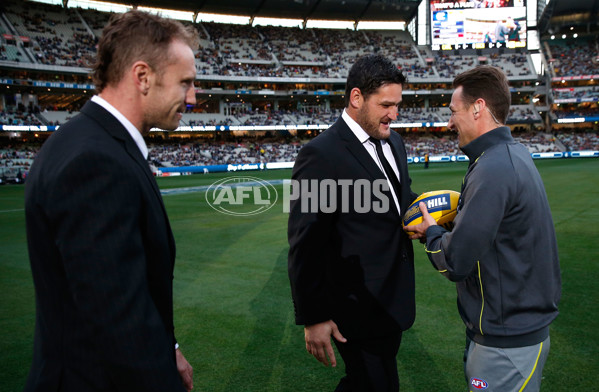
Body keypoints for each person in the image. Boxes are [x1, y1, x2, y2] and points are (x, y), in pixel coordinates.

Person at [24, 10, 198, 391]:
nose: (193, 97)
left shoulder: (93, 142)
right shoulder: (95, 161)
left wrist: (167, 345)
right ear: (142, 77)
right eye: (185, 83)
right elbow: (116, 322)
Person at [404, 65, 561, 392]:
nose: (448, 123)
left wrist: (432, 232)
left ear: (478, 108)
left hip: (506, 343)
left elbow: (456, 262)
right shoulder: (510, 154)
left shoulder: (494, 168)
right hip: (509, 335)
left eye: (453, 112)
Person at [288, 54, 418, 391]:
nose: (395, 114)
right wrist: (314, 317)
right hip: (354, 308)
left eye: (398, 104)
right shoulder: (321, 154)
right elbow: (306, 241)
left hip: (392, 301)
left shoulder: (395, 141)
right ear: (356, 98)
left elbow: (397, 199)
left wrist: (427, 214)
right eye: (386, 104)